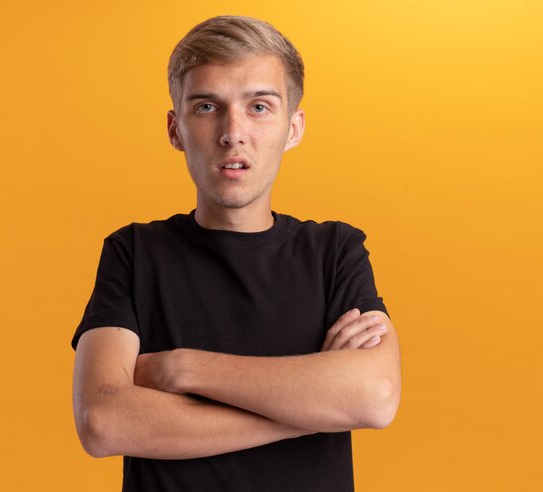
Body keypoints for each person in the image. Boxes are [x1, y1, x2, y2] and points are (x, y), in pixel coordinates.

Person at [72, 15, 401, 492]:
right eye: (207, 106)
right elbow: (103, 421)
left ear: (293, 127)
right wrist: (314, 409)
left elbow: (375, 395)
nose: (233, 132)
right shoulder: (134, 253)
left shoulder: (335, 251)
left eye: (260, 107)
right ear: (175, 129)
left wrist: (182, 368)